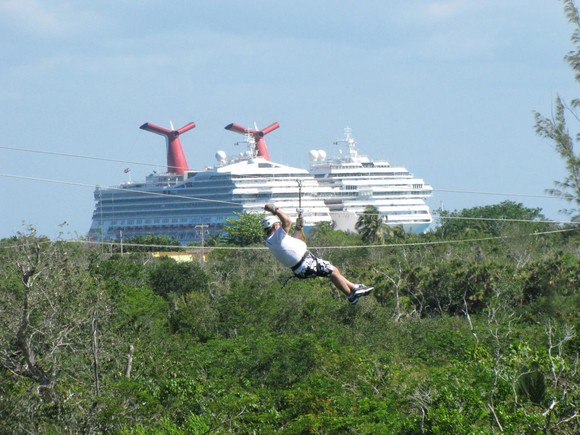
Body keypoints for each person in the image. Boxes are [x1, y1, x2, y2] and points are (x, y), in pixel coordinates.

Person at [262, 204, 373, 304]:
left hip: (302, 266)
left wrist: (298, 227)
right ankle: (351, 295)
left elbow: (294, 240)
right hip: (305, 264)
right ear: (275, 225)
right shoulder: (275, 238)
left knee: (334, 270)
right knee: (332, 272)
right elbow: (287, 221)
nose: (281, 226)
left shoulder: (274, 240)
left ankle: (354, 288)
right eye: (279, 224)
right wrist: (275, 210)